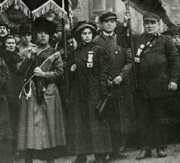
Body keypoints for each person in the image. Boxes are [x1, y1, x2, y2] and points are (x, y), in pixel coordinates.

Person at [17, 17, 66, 163]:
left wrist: (44, 74)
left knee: (49, 124)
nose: (43, 36)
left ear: (50, 35)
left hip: (49, 91)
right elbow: (19, 69)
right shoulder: (28, 50)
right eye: (39, 33)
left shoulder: (55, 53)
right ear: (35, 35)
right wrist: (29, 57)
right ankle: (29, 156)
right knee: (31, 125)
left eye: (46, 33)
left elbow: (59, 73)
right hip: (31, 91)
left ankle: (49, 157)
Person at [134, 13, 179, 159]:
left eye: (153, 23)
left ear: (158, 24)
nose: (149, 25)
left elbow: (174, 61)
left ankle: (161, 147)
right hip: (143, 85)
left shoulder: (166, 40)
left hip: (161, 84)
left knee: (160, 118)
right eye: (146, 23)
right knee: (144, 119)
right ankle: (145, 148)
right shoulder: (138, 39)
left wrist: (173, 80)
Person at [67, 21, 112, 163]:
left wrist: (102, 90)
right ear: (79, 36)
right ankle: (82, 154)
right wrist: (71, 69)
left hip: (94, 90)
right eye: (83, 34)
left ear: (92, 35)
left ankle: (100, 154)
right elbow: (69, 72)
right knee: (80, 122)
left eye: (89, 33)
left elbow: (104, 71)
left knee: (96, 122)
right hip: (79, 91)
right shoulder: (75, 52)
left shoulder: (98, 50)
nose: (86, 36)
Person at [93, 11, 135, 159]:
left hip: (120, 84)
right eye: (106, 22)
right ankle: (106, 150)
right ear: (101, 24)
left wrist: (121, 76)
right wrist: (106, 79)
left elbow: (129, 61)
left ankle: (116, 149)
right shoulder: (96, 41)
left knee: (119, 117)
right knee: (106, 118)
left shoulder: (121, 38)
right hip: (105, 85)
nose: (110, 24)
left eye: (112, 21)